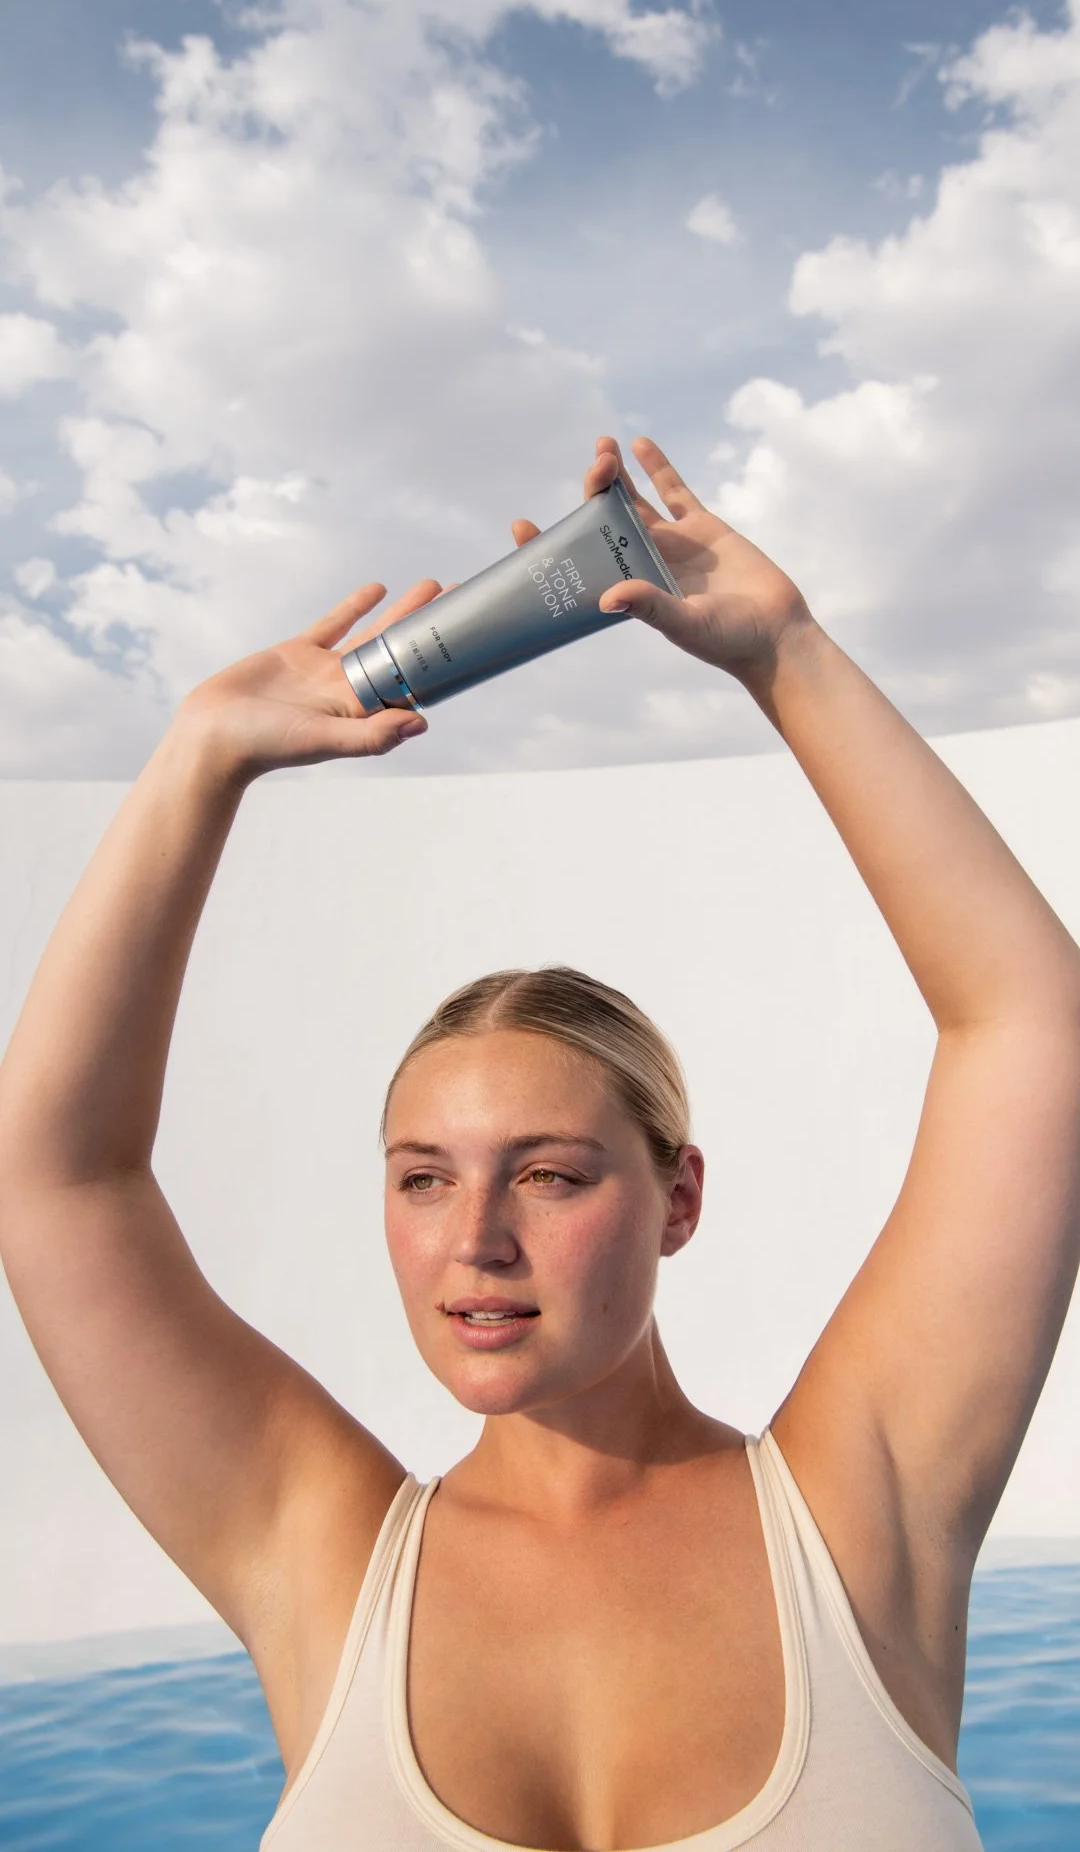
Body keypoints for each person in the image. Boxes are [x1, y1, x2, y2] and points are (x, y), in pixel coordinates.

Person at [0, 435, 1077, 1852]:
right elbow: (56, 1175)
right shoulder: (315, 1548)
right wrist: (198, 762)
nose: (475, 1240)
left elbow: (1033, 1035)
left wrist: (786, 656)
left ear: (677, 1196)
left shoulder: (859, 1513)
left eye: (551, 1174)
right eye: (422, 1178)